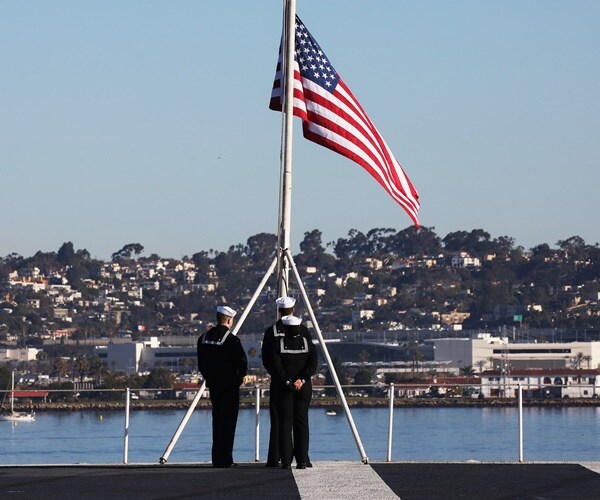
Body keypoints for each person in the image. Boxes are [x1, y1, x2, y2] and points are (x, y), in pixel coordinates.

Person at [262, 312, 318, 470]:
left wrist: (288, 381)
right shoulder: (307, 343)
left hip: (284, 388)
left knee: (285, 424)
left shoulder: (278, 344)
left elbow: (275, 366)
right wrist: (302, 379)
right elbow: (313, 364)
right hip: (303, 387)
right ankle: (302, 460)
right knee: (302, 423)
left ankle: (286, 460)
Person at [197, 305, 248, 468]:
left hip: (214, 385)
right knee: (228, 422)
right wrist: (240, 377)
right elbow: (242, 361)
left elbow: (201, 364)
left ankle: (216, 458)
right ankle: (226, 458)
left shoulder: (203, 338)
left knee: (217, 420)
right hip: (229, 385)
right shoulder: (232, 340)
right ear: (228, 320)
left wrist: (209, 378)